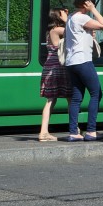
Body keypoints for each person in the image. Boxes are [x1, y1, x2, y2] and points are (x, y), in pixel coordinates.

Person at [63, 0, 103, 142]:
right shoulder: (81, 18)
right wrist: (93, 10)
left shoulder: (70, 18)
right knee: (96, 93)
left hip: (71, 63)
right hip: (83, 61)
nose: (93, 4)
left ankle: (73, 132)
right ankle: (91, 131)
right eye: (91, 2)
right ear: (87, 2)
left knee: (77, 98)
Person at [36, 8, 68, 142]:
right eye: (64, 11)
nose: (67, 12)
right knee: (70, 97)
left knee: (51, 100)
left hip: (50, 67)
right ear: (58, 16)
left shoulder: (50, 31)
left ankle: (44, 131)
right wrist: (67, 20)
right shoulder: (57, 30)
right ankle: (74, 128)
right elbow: (74, 31)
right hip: (58, 68)